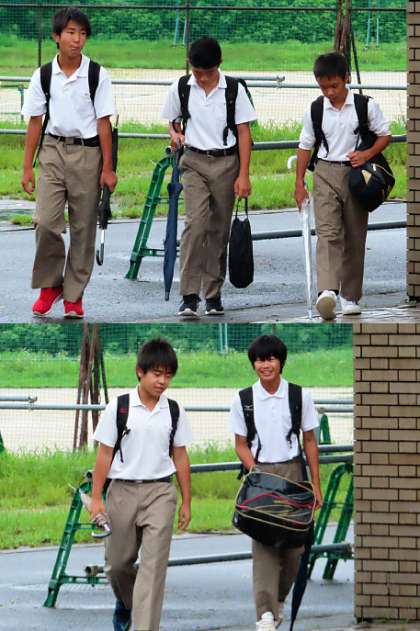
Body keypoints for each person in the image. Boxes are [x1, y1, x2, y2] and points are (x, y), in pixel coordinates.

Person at [90, 338, 192, 631]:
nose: (162, 381)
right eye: (156, 374)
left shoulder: (174, 410)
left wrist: (187, 501)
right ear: (140, 372)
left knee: (153, 568)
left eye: (168, 375)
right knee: (117, 566)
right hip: (122, 491)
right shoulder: (119, 407)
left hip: (160, 492)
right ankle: (127, 602)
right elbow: (104, 455)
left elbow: (181, 456)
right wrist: (96, 498)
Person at [21, 7, 117, 319]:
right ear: (56, 36)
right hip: (52, 149)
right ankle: (50, 285)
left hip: (88, 153)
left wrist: (108, 168)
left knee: (83, 227)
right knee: (45, 221)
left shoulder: (97, 75)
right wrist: (26, 167)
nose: (77, 40)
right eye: (71, 33)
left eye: (83, 34)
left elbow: (104, 123)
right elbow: (35, 121)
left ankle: (74, 295)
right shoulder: (43, 75)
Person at [229, 334, 322, 631]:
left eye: (270, 359)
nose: (265, 365)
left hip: (294, 475)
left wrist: (315, 485)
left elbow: (310, 441)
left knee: (294, 549)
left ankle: (279, 599)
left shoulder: (300, 396)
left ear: (281, 362)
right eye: (259, 360)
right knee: (264, 545)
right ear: (253, 364)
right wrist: (255, 471)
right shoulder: (243, 399)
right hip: (261, 477)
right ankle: (265, 615)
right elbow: (240, 444)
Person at [161, 37, 256, 319]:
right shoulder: (181, 87)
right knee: (196, 224)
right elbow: (172, 122)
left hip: (227, 163)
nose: (202, 78)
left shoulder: (234, 90)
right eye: (197, 72)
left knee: (219, 230)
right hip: (193, 162)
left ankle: (213, 295)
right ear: (190, 65)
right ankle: (189, 296)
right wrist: (175, 135)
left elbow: (244, 133)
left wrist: (244, 175)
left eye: (208, 72)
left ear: (219, 65)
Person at [294, 52, 391, 320]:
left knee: (354, 236)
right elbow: (304, 146)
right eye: (323, 87)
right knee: (327, 233)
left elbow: (385, 135)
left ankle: (350, 296)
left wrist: (367, 154)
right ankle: (327, 292)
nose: (329, 92)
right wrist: (299, 183)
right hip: (324, 172)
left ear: (346, 78)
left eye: (334, 86)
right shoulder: (315, 110)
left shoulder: (365, 106)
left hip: (357, 175)